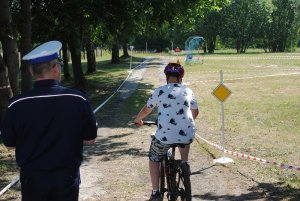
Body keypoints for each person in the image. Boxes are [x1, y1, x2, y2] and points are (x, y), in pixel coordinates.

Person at [1, 41, 98, 201]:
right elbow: (90, 138)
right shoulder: (77, 99)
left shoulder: (16, 104)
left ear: (32, 71)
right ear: (56, 68)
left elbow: (9, 144)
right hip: (66, 178)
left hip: (32, 179)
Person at [134, 61, 199, 201]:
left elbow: (147, 109)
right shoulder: (188, 90)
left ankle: (155, 192)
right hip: (187, 133)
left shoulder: (160, 90)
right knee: (185, 138)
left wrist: (138, 119)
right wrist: (185, 122)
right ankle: (184, 163)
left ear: (166, 77)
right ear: (181, 77)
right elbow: (195, 112)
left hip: (164, 136)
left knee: (154, 158)